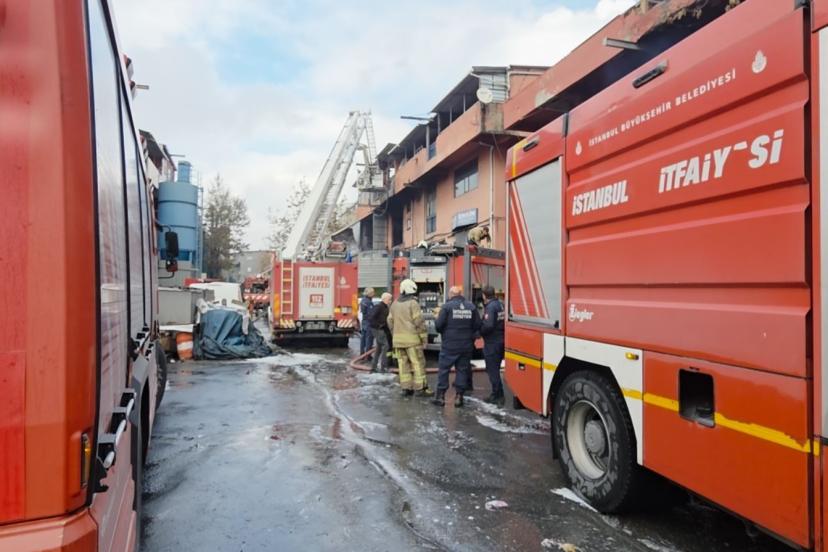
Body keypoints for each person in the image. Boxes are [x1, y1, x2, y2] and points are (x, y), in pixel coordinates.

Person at [433, 286, 481, 407]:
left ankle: (440, 397)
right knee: (462, 370)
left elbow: (438, 326)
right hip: (466, 345)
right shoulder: (471, 307)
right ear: (460, 294)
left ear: (450, 294)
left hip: (449, 345)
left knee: (444, 370)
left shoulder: (446, 307)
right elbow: (477, 325)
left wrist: (436, 319)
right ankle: (459, 397)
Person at [388, 279, 432, 397]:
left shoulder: (395, 303)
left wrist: (395, 334)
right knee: (417, 364)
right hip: (412, 341)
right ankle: (420, 388)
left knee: (403, 365)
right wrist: (424, 338)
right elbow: (419, 322)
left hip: (398, 341)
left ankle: (406, 388)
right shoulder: (413, 303)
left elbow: (390, 321)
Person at [479, 285, 505, 405]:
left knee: (492, 370)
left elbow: (488, 325)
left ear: (484, 295)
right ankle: (498, 393)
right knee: (496, 368)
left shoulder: (490, 307)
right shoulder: (500, 304)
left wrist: (480, 332)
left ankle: (497, 395)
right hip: (501, 340)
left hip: (492, 343)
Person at [368, 292, 393, 373]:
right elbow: (371, 317)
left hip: (381, 329)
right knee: (386, 345)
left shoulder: (385, 307)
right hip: (377, 329)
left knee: (378, 348)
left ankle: (374, 367)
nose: (390, 301)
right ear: (384, 299)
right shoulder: (379, 307)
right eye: (389, 299)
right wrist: (378, 325)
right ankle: (383, 367)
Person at [358, 288, 375, 356]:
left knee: (363, 339)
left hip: (364, 321)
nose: (374, 294)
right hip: (369, 323)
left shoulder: (363, 300)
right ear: (369, 293)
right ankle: (368, 355)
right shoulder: (368, 302)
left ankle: (362, 353)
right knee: (369, 339)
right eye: (373, 292)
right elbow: (370, 313)